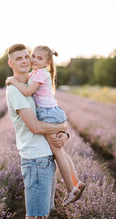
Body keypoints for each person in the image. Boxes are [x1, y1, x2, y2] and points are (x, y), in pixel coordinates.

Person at [6, 45, 86, 207]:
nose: (31, 60)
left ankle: (72, 188)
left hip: (49, 114)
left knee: (58, 151)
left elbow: (28, 91)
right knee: (60, 150)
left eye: (29, 57)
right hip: (51, 117)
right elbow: (35, 126)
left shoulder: (38, 74)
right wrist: (62, 128)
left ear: (47, 62)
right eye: (32, 56)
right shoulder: (35, 74)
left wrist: (12, 80)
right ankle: (76, 182)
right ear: (11, 63)